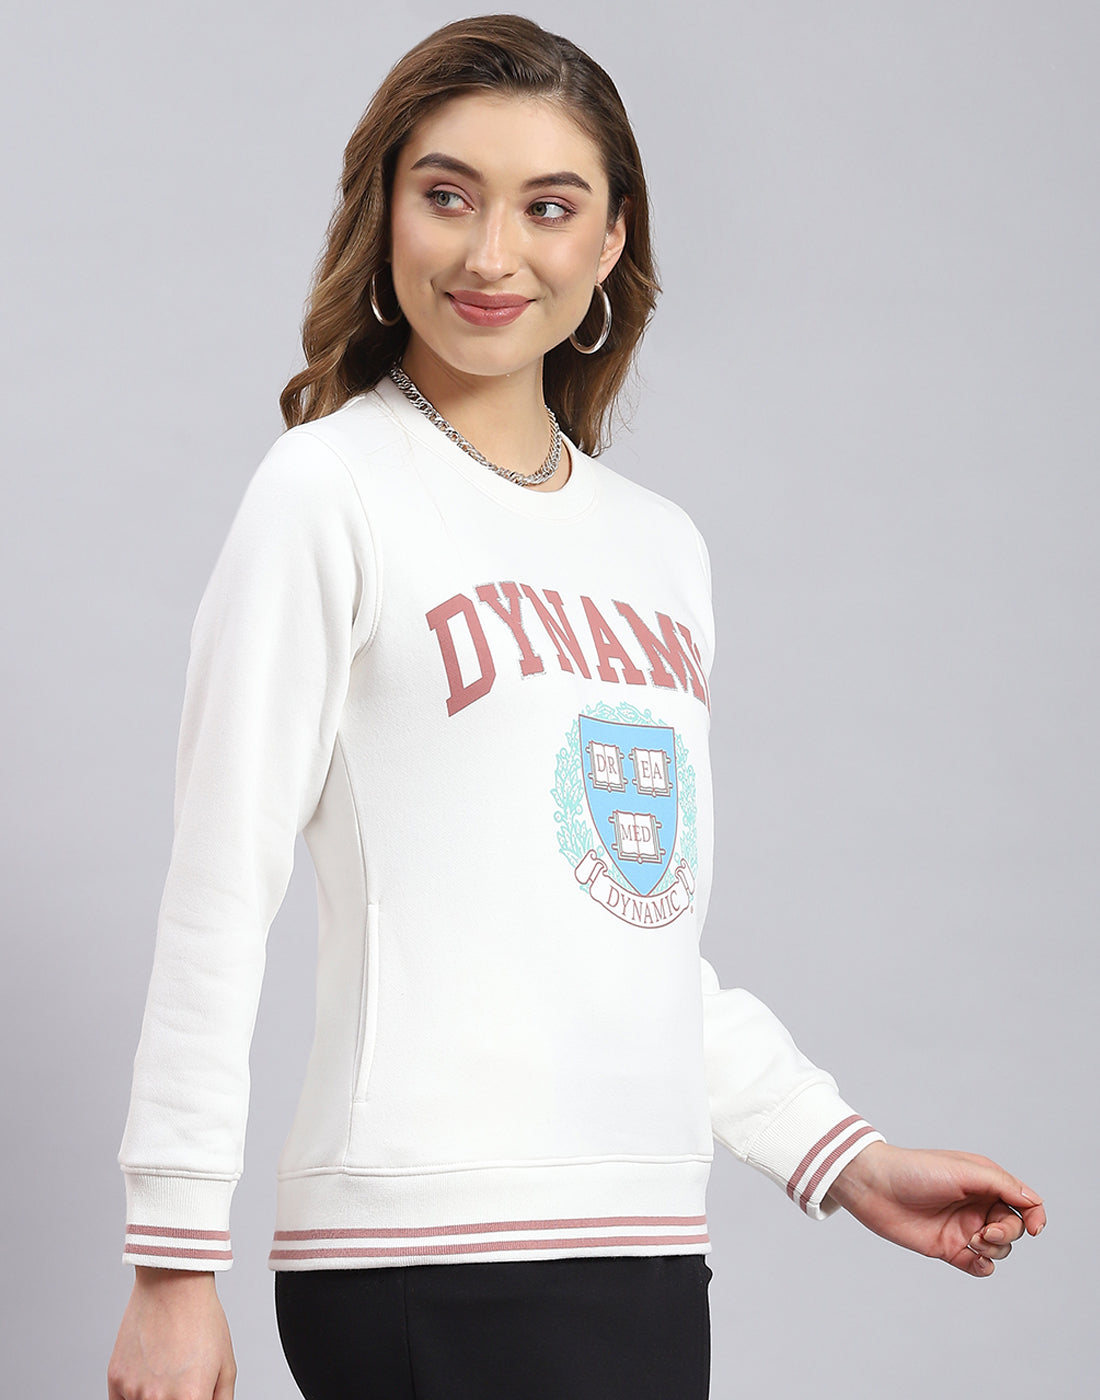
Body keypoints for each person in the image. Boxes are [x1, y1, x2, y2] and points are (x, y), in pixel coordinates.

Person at [107, 15, 1045, 1400]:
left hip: (644, 1247)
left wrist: (843, 1156)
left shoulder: (661, 547)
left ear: (611, 242)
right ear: (383, 214)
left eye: (547, 207)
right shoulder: (329, 490)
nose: (492, 256)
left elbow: (629, 936)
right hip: (421, 1248)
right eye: (448, 197)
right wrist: (172, 1263)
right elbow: (216, 888)